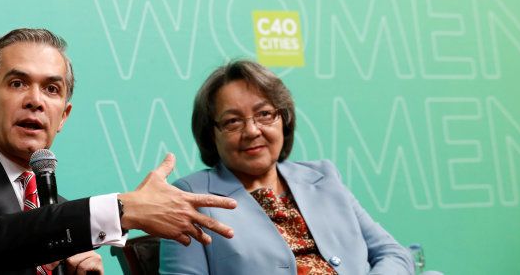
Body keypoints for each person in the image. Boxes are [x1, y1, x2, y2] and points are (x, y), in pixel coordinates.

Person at [0, 28, 236, 274]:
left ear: (64, 116)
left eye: (51, 88)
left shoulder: (58, 214)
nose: (36, 100)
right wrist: (120, 209)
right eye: (17, 83)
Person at [160, 60, 414, 275]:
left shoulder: (323, 177)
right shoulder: (190, 197)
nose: (252, 130)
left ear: (284, 119)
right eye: (233, 121)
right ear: (211, 134)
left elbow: (393, 253)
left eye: (264, 114)